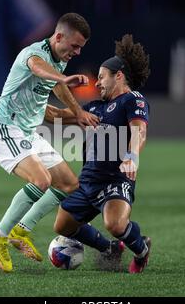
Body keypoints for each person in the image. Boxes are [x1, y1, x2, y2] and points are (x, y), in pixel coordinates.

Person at [0, 13, 99, 273]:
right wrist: (62, 80)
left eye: (81, 48)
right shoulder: (34, 53)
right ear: (58, 37)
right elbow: (38, 67)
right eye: (74, 46)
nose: (77, 52)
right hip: (5, 129)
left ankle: (20, 230)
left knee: (69, 184)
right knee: (41, 180)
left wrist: (81, 113)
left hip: (28, 134)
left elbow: (55, 99)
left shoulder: (58, 63)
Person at [45, 34, 152, 273]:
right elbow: (54, 116)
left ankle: (142, 249)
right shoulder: (93, 108)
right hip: (87, 182)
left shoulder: (132, 100)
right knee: (62, 225)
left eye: (102, 77)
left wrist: (132, 156)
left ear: (119, 76)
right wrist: (30, 99)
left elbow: (139, 130)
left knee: (114, 224)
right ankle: (110, 248)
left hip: (115, 180)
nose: (97, 82)